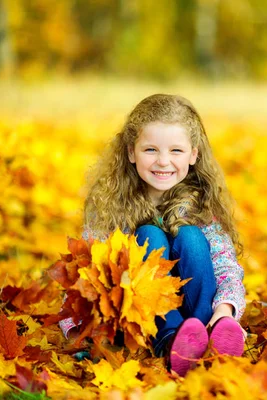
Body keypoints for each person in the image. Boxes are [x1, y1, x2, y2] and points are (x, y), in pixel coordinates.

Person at [59, 94, 246, 376]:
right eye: (150, 150)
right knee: (149, 235)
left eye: (176, 151)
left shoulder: (202, 207)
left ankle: (207, 335)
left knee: (191, 238)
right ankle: (171, 340)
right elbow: (85, 270)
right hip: (144, 319)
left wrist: (226, 310)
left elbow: (225, 268)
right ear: (131, 153)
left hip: (202, 315)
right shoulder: (112, 209)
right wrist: (76, 325)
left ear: (194, 154)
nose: (163, 161)